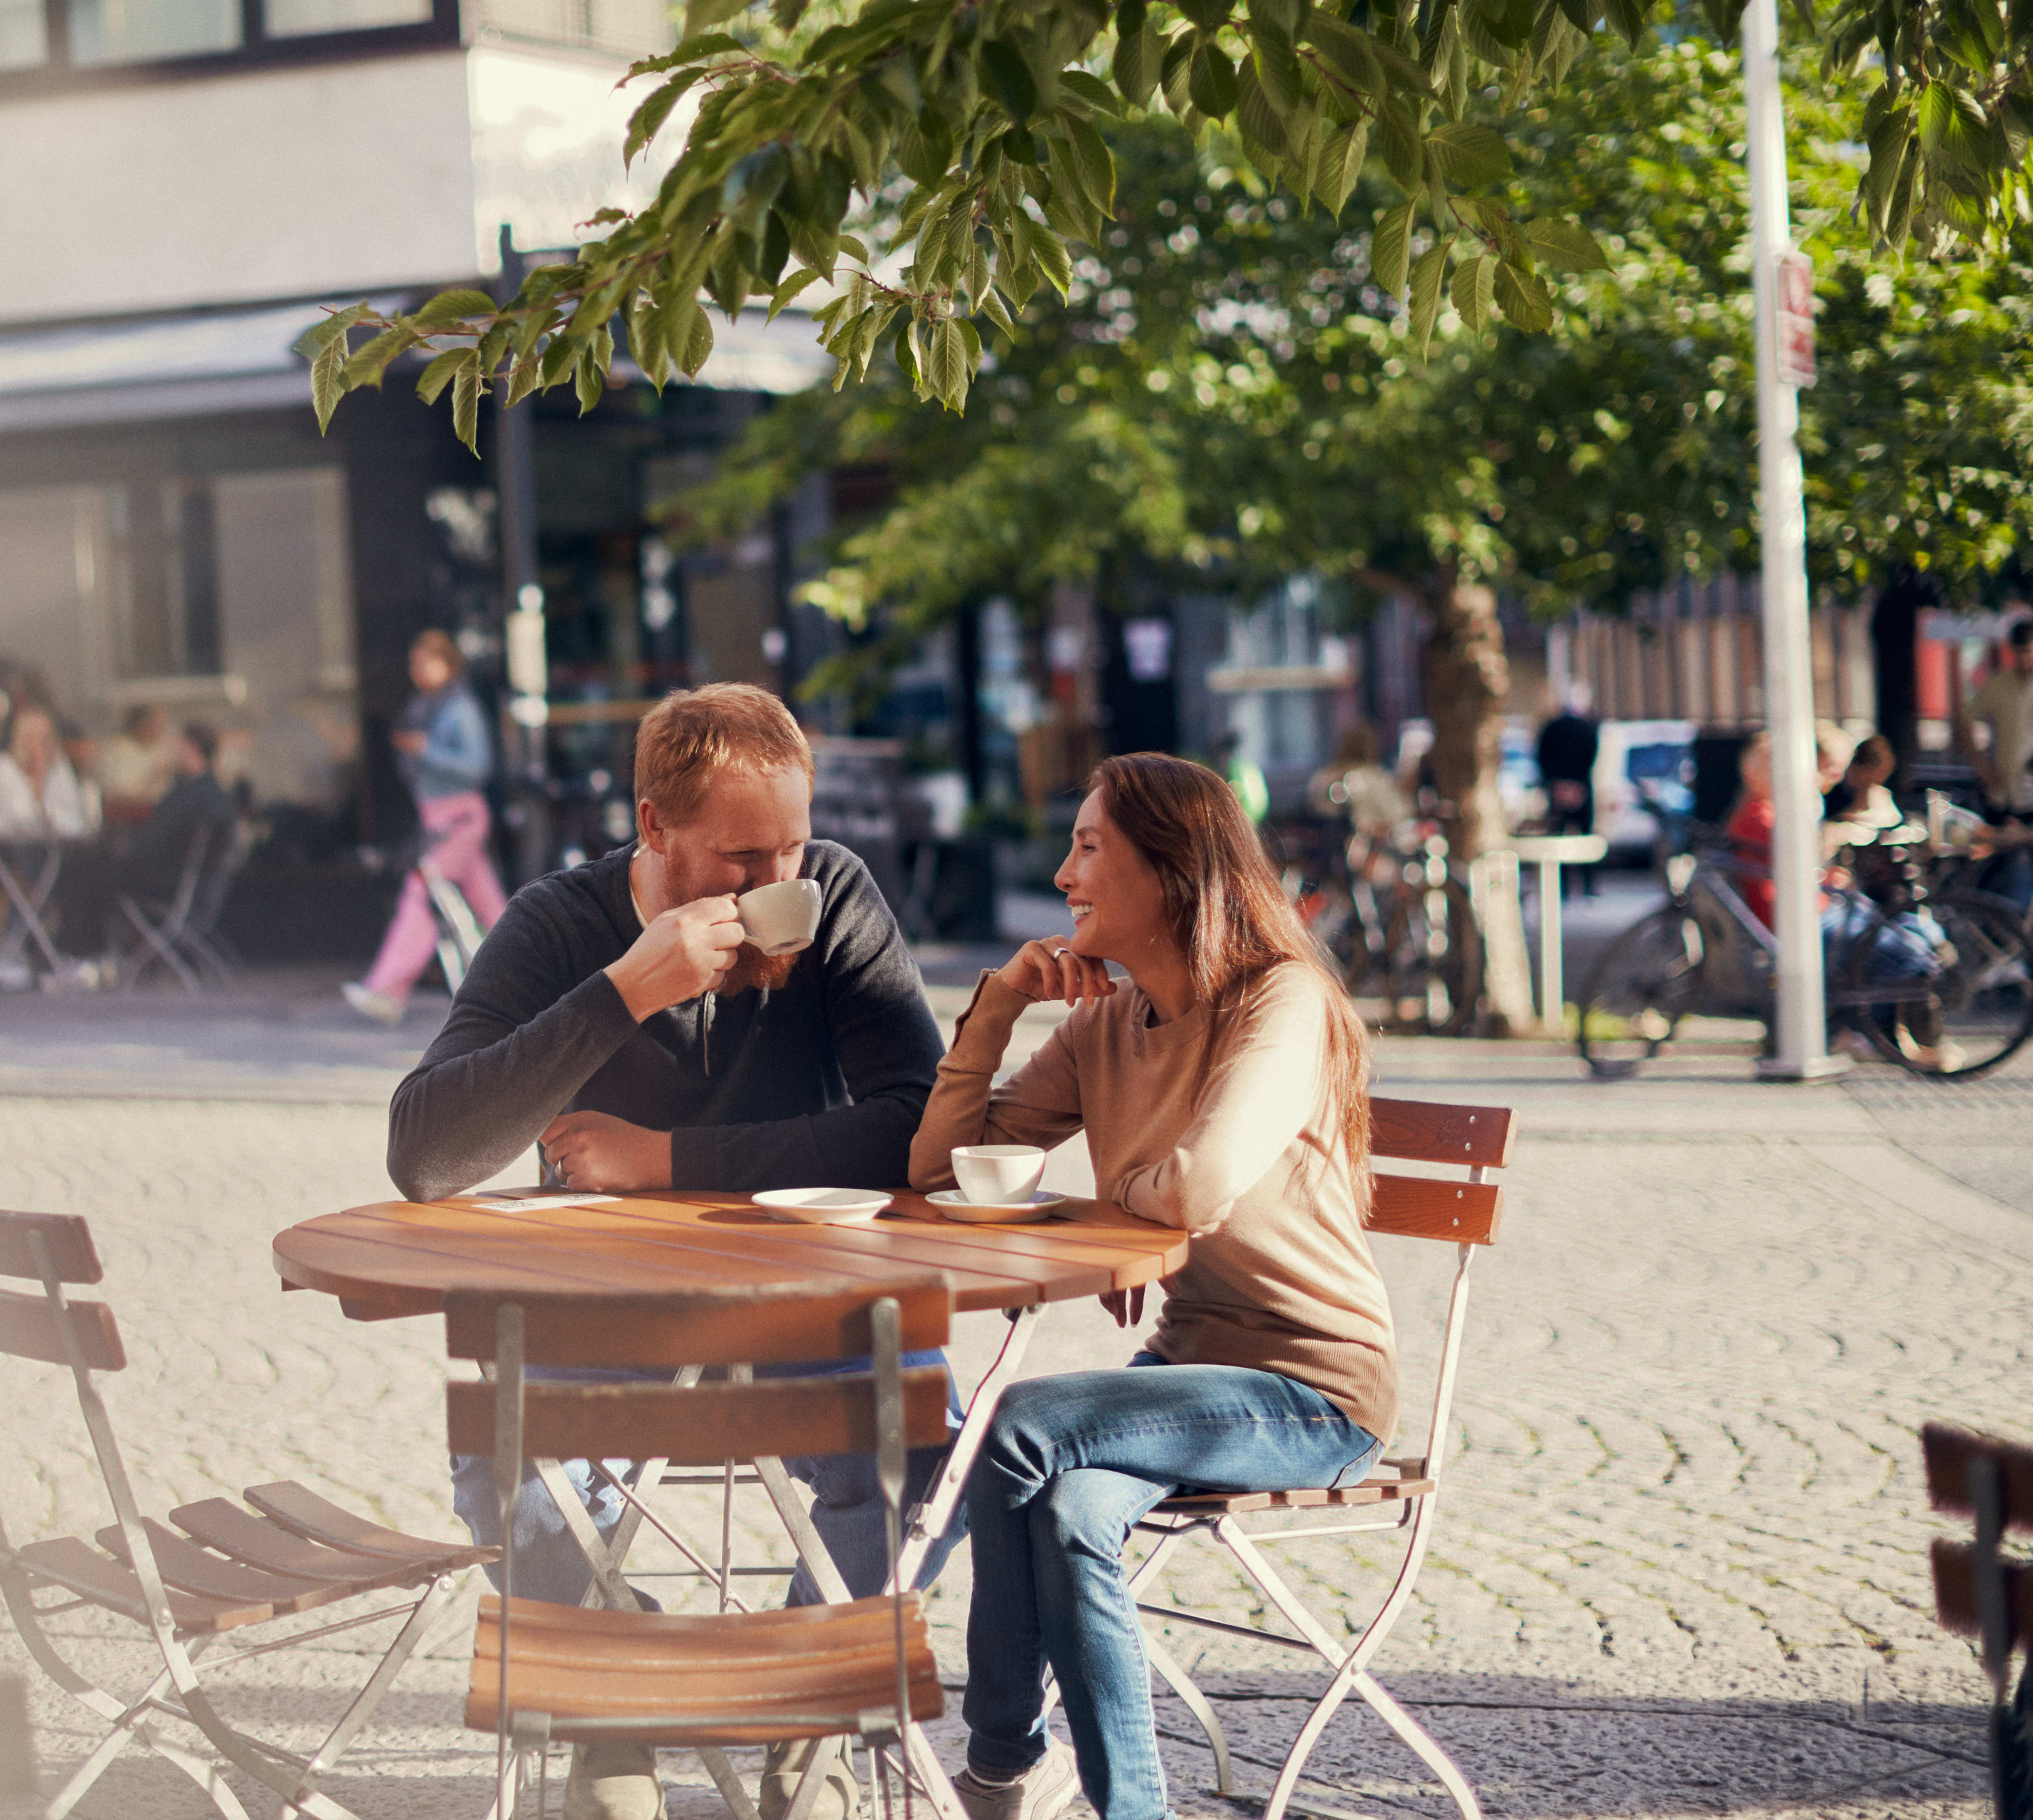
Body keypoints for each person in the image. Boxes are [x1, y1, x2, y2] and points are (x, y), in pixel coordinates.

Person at [386, 682, 956, 1820]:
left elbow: (917, 1122)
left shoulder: (830, 894)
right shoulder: (558, 926)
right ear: (654, 829)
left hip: (803, 1315)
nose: (777, 883)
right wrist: (628, 988)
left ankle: (812, 1701)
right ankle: (618, 1704)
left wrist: (669, 1160)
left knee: (922, 1432)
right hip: (608, 1324)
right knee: (498, 1465)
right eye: (742, 859)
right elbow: (425, 1154)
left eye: (792, 845)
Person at [909, 753, 1393, 1820]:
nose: (1065, 874)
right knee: (1074, 1504)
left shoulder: (1284, 1000)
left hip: (1311, 1390)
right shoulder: (1103, 1026)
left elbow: (1199, 1187)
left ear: (1173, 874)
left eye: (1089, 847)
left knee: (1015, 1423)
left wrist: (1120, 1210)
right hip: (1182, 1376)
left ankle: (996, 1767)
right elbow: (943, 1173)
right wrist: (995, 1009)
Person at [1726, 730, 1953, 1066]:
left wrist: (1828, 875)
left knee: (1906, 933)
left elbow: (1792, 868)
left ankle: (1889, 1034)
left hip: (1812, 909)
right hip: (1804, 919)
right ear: (1755, 773)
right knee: (1906, 949)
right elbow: (1796, 866)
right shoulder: (1762, 817)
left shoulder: (1760, 813)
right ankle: (1879, 1036)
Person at [343, 631, 508, 1027]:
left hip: (457, 820)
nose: (417, 672)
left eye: (425, 663)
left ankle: (387, 989)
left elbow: (476, 767)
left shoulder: (459, 709)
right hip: (439, 819)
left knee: (423, 893)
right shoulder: (429, 707)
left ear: (447, 664)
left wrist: (424, 751)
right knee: (494, 909)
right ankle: (533, 976)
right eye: (413, 664)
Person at [0, 705, 106, 986]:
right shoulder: (3, 769)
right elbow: (23, 819)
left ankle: (66, 952)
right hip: (8, 850)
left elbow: (71, 818)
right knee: (37, 874)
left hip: (49, 850)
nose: (42, 744)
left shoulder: (58, 768)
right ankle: (11, 951)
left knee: (82, 870)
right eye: (35, 737)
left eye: (46, 737)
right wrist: (37, 779)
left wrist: (49, 793)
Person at [116, 724, 240, 905]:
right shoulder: (213, 794)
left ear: (190, 748)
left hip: (165, 887)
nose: (172, 753)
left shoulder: (188, 796)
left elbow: (154, 842)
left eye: (177, 747)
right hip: (196, 892)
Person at [1965, 618, 2033, 911]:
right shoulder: (2000, 684)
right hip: (2003, 794)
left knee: (2020, 869)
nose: (2024, 659)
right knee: (1998, 874)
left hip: (2030, 795)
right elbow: (1965, 720)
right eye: (2019, 652)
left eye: (2029, 652)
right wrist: (1982, 765)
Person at [1536, 683, 1601, 895]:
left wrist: (1557, 783)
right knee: (1583, 837)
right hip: (1579, 786)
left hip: (1560, 787)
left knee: (1558, 840)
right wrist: (1576, 784)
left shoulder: (1551, 727)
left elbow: (1542, 756)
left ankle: (1562, 888)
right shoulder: (1587, 727)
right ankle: (1587, 886)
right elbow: (1591, 756)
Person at [96, 703, 180, 828]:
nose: (160, 730)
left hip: (163, 816)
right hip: (129, 821)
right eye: (155, 724)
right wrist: (153, 775)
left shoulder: (162, 748)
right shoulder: (119, 751)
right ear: (142, 724)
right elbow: (123, 792)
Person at [1210, 728, 1268, 825]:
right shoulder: (1249, 767)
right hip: (1254, 816)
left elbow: (1237, 793)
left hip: (1244, 817)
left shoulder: (1233, 769)